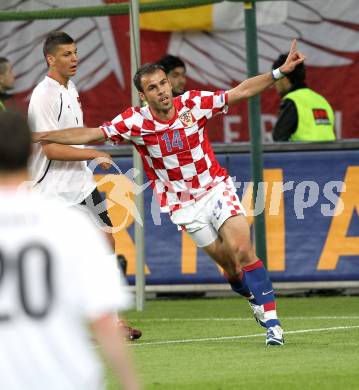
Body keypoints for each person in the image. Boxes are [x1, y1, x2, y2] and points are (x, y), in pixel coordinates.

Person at [34, 40, 305, 346]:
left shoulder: (193, 104)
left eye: (163, 83)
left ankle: (273, 324)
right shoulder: (135, 122)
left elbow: (240, 91)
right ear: (143, 95)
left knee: (243, 249)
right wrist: (42, 134)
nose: (162, 90)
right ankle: (252, 299)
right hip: (183, 206)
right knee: (230, 266)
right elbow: (92, 133)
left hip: (215, 188)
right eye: (153, 87)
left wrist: (279, 72)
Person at [0, 110, 140, 390]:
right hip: (69, 377)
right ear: (31, 151)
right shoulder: (72, 225)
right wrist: (130, 384)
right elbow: (102, 319)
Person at [28, 31, 141, 340]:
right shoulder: (44, 95)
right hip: (52, 190)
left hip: (80, 185)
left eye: (75, 52)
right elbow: (49, 148)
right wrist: (94, 153)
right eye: (67, 54)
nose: (74, 58)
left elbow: (73, 135)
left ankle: (112, 323)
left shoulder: (71, 87)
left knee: (107, 244)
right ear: (51, 59)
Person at [272, 53, 335, 141]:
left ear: (284, 79)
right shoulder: (322, 100)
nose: (274, 84)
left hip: (303, 154)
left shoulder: (292, 100)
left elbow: (278, 139)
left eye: (275, 79)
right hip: (332, 154)